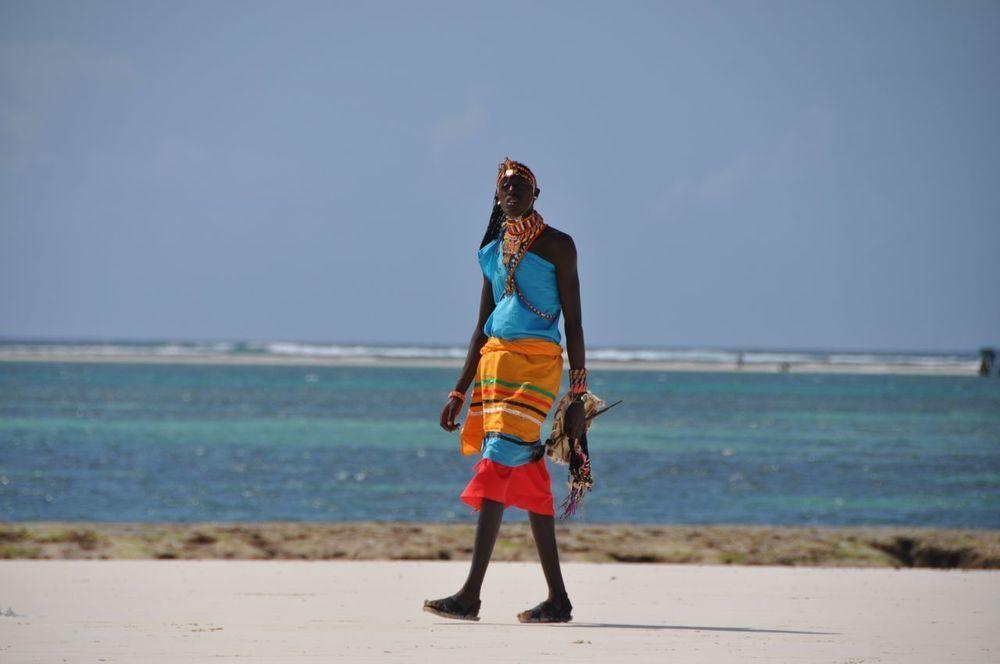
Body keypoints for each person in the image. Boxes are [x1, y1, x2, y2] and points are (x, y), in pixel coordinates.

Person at [422, 157, 588, 623]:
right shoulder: (492, 251)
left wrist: (577, 395)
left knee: (496, 458)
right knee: (530, 476)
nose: (511, 190)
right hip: (496, 367)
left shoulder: (558, 245)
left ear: (537, 194)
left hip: (537, 367)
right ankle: (558, 599)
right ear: (496, 197)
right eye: (505, 186)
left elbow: (573, 324)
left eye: (520, 185)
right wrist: (459, 390)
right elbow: (480, 326)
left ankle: (470, 594)